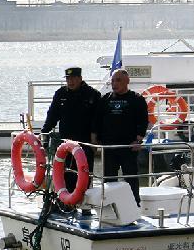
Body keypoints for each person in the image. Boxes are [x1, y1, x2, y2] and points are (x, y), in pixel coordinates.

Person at [92, 68, 149, 204]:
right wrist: (94, 139)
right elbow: (96, 120)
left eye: (118, 80)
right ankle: (110, 205)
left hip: (128, 146)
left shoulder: (137, 99)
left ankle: (134, 204)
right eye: (112, 81)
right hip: (109, 147)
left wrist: (138, 140)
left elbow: (143, 121)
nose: (114, 84)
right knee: (109, 179)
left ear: (127, 81)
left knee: (131, 178)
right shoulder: (105, 99)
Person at [42, 66, 102, 191]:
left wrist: (95, 138)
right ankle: (66, 200)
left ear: (80, 78)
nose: (70, 81)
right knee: (67, 174)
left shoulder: (92, 94)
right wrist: (45, 132)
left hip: (85, 143)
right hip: (66, 142)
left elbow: (98, 119)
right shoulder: (61, 93)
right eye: (68, 79)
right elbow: (52, 115)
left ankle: (84, 201)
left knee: (84, 175)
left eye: (73, 78)